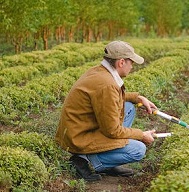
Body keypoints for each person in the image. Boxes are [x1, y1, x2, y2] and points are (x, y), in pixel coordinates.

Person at [55, 40, 157, 181]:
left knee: (128, 108)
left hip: (80, 128)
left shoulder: (100, 72)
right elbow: (112, 130)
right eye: (131, 62)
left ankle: (104, 159)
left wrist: (138, 98)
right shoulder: (106, 84)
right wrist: (141, 135)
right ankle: (85, 161)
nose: (132, 67)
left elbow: (111, 98)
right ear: (121, 62)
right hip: (79, 137)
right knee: (138, 149)